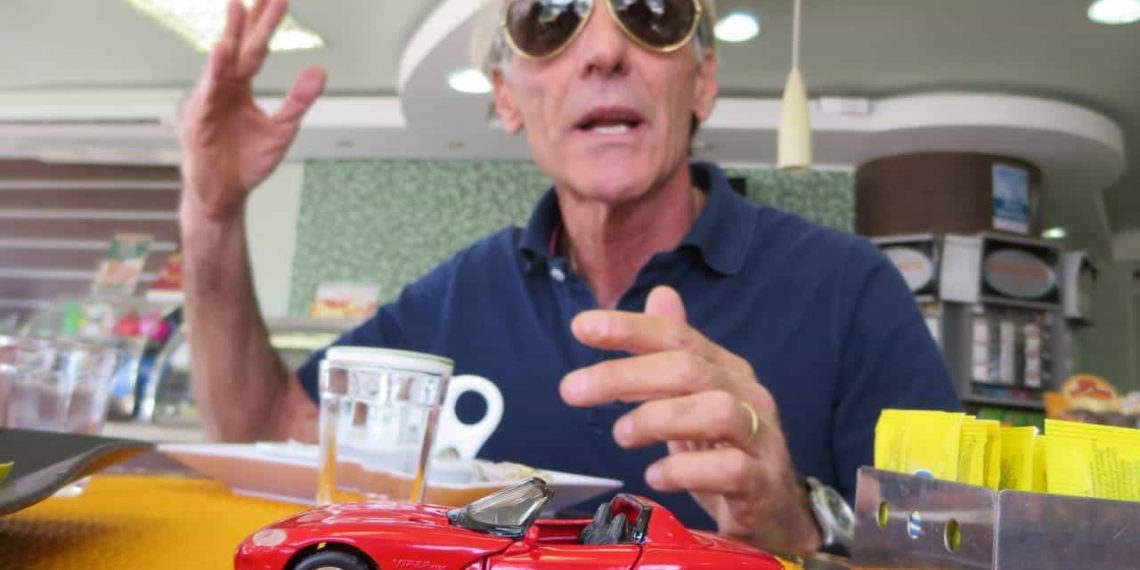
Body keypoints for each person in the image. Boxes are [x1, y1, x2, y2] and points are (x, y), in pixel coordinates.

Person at [179, 0, 960, 555]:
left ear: (703, 79)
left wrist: (797, 526)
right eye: (551, 18)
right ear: (507, 97)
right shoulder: (457, 294)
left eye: (651, 12)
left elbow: (951, 549)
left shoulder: (851, 288)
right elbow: (263, 428)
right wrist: (212, 218)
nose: (604, 52)